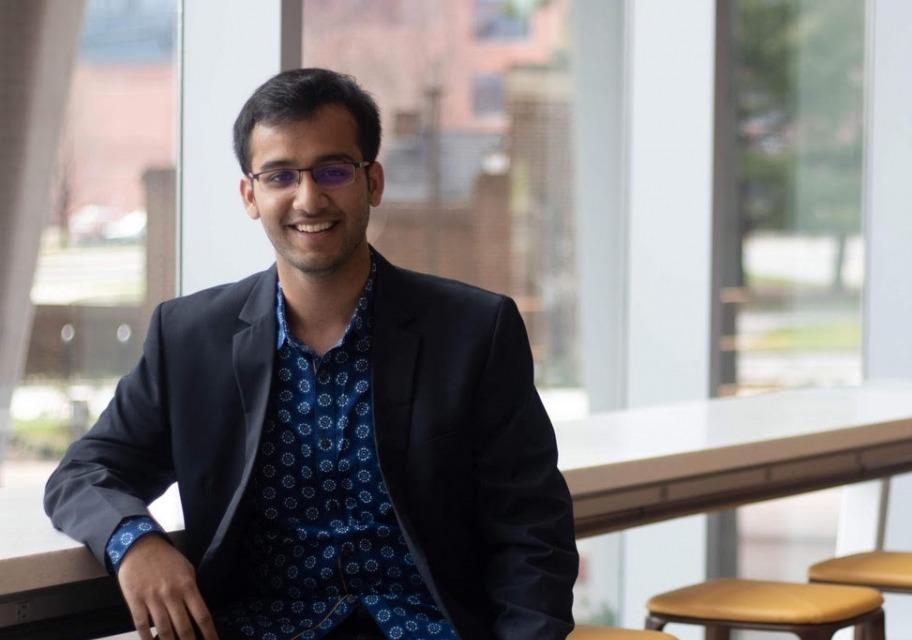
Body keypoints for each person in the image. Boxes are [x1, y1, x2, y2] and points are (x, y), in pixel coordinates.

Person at [43, 68, 578, 640]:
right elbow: (83, 473)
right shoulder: (189, 337)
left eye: (333, 171)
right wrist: (136, 543)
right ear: (250, 195)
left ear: (372, 181)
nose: (308, 197)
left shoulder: (474, 331)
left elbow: (532, 531)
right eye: (280, 176)